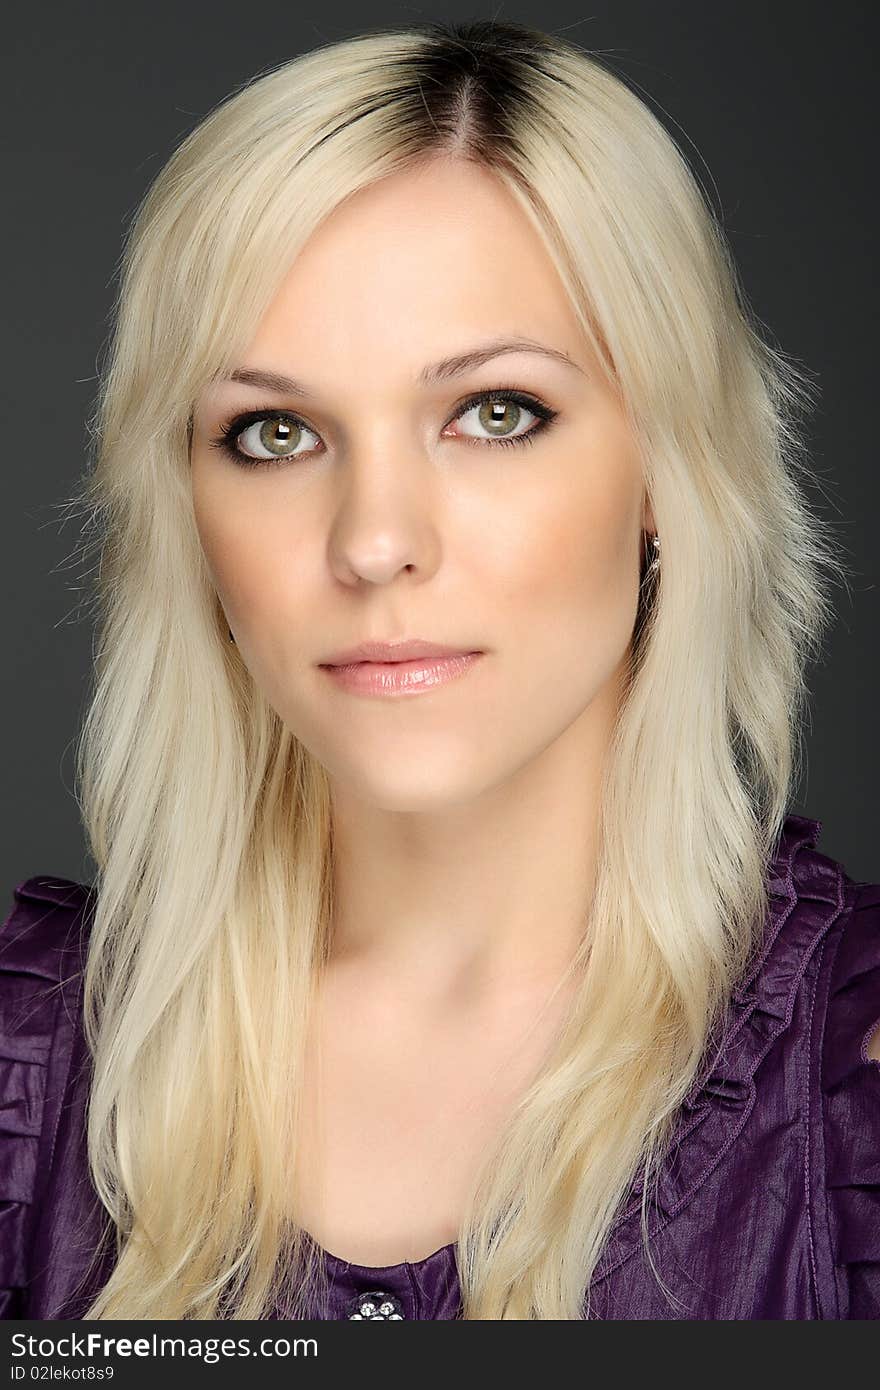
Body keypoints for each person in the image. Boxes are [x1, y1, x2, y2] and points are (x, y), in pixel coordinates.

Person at [1, 18, 877, 1322]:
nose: (374, 543)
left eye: (496, 412)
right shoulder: (29, 1074)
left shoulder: (850, 1080)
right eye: (275, 430)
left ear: (665, 473)